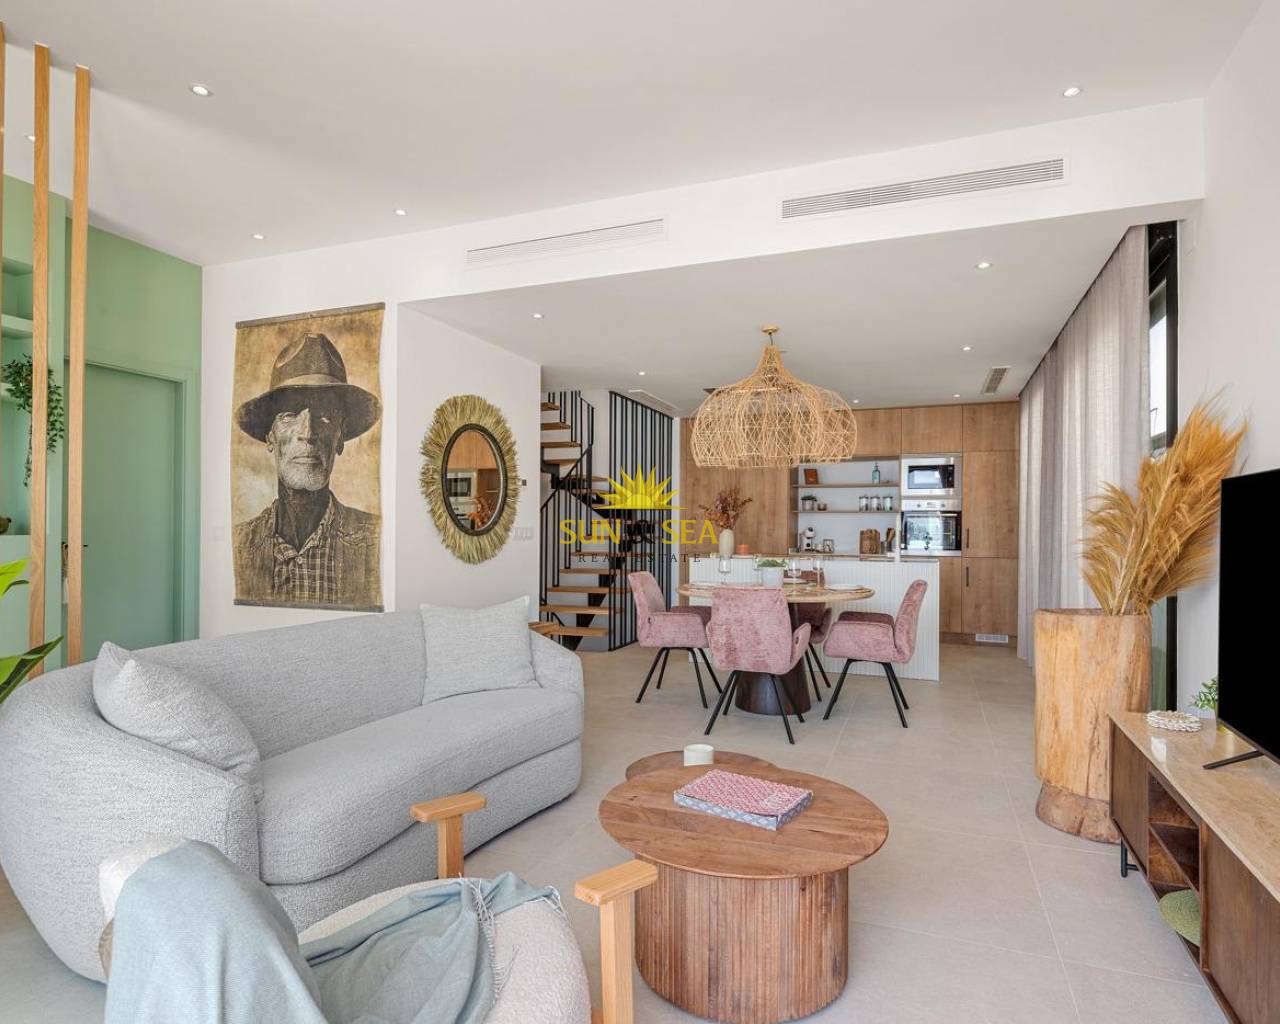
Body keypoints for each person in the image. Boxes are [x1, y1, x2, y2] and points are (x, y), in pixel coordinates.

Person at [233, 332, 381, 610]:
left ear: (339, 437)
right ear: (270, 436)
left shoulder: (375, 540)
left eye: (324, 416)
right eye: (289, 415)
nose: (308, 433)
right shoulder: (240, 545)